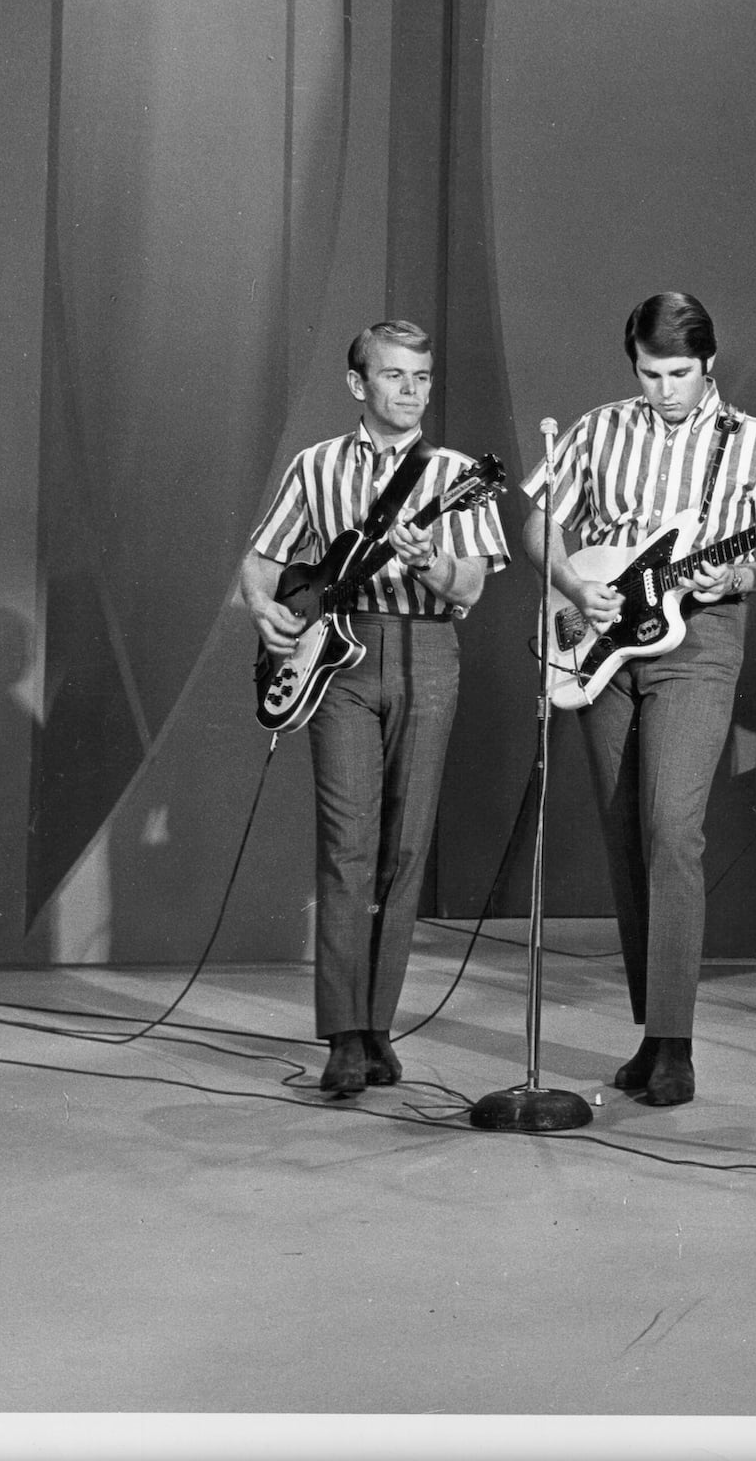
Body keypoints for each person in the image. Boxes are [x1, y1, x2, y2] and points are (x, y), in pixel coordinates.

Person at [521, 292, 756, 1108]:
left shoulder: (752, 442)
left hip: (701, 641)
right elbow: (540, 525)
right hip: (603, 641)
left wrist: (746, 571)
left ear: (708, 363)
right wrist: (571, 581)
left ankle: (676, 1045)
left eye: (679, 373)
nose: (664, 390)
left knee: (673, 829)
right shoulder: (598, 428)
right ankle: (651, 1033)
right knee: (625, 836)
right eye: (650, 374)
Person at [242, 320, 509, 1097]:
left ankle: (378, 1026)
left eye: (421, 376)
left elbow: (469, 587)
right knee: (346, 843)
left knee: (405, 847)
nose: (412, 390)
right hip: (337, 657)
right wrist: (265, 609)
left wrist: (431, 564)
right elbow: (261, 560)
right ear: (359, 384)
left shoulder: (456, 474)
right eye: (395, 375)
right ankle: (343, 1036)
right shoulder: (316, 465)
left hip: (427, 652)